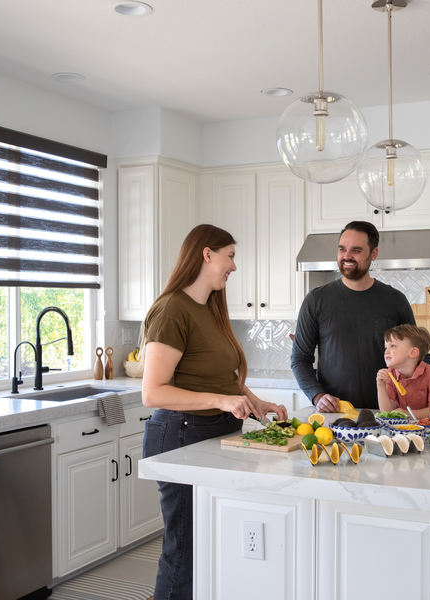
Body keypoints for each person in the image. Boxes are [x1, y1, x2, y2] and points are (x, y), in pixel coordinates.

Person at [141, 224, 288, 600]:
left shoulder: (210, 308)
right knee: (184, 549)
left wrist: (256, 404)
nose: (234, 267)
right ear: (206, 254)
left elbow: (226, 377)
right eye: (231, 256)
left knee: (213, 544)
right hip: (180, 434)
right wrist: (221, 402)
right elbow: (153, 393)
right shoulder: (172, 309)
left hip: (214, 434)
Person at [291, 220, 430, 411]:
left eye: (356, 250)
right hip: (335, 414)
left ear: (373, 254)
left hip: (388, 415)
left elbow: (418, 352)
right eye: (342, 249)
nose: (347, 256)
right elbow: (300, 358)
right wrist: (317, 396)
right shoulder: (316, 300)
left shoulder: (395, 300)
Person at [376, 324, 430, 418]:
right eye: (386, 347)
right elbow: (387, 412)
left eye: (392, 346)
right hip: (399, 430)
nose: (386, 351)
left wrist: (408, 414)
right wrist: (380, 385)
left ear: (413, 352)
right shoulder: (390, 374)